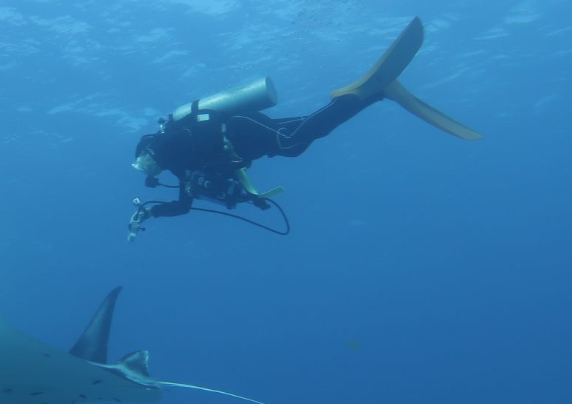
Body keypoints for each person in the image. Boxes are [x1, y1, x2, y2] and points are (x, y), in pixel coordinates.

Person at [128, 17, 480, 239]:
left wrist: (170, 162)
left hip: (236, 129)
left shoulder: (166, 147)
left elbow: (197, 139)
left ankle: (359, 95)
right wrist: (151, 210)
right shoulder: (178, 166)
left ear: (147, 150)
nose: (149, 168)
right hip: (243, 142)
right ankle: (374, 95)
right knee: (296, 142)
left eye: (145, 161)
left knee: (293, 139)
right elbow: (186, 205)